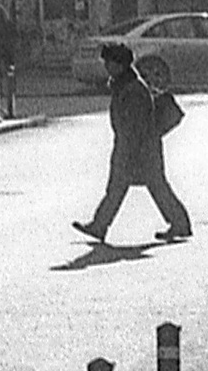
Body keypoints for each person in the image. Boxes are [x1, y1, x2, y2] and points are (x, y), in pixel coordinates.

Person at [74, 39, 192, 244]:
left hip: (139, 149)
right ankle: (100, 225)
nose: (106, 67)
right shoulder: (125, 84)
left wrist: (127, 151)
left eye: (109, 63)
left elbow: (135, 126)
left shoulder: (132, 89)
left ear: (119, 65)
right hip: (140, 147)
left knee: (144, 186)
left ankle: (100, 226)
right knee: (142, 186)